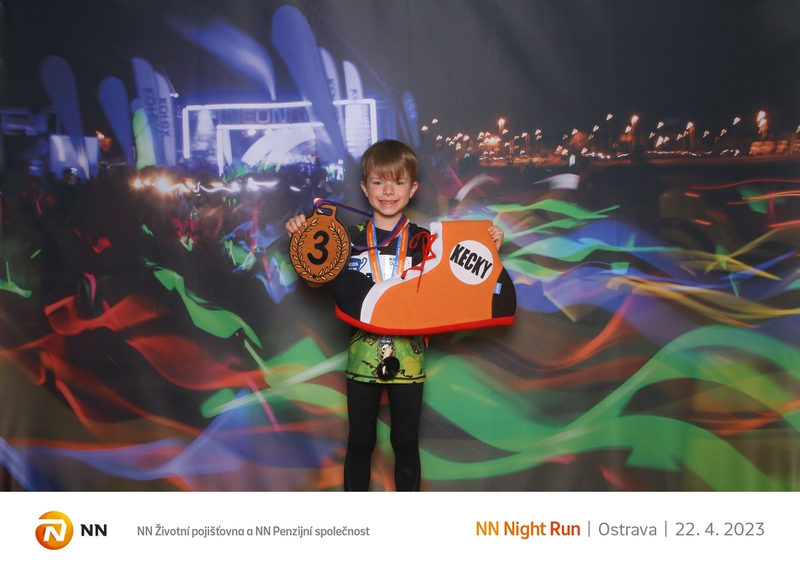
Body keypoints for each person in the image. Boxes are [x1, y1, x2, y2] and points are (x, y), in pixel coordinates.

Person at [286, 140, 503, 491]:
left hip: (410, 358)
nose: (388, 191)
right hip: (361, 358)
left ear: (413, 188)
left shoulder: (428, 242)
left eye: (398, 182)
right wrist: (302, 237)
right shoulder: (345, 239)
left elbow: (464, 282)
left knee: (405, 441)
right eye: (378, 182)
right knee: (360, 441)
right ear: (364, 187)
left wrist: (488, 245)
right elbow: (315, 279)